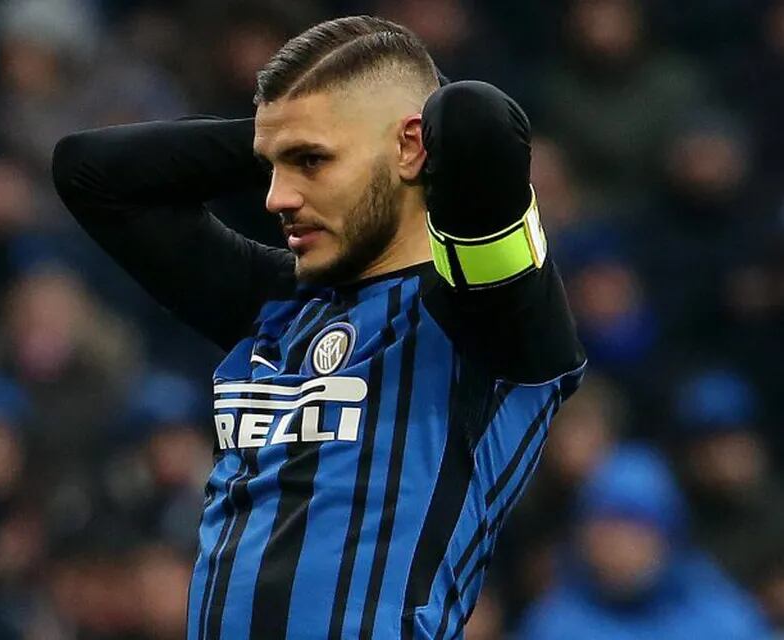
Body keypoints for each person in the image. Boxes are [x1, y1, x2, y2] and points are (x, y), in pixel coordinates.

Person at [53, 15, 585, 639]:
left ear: (414, 147)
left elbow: (476, 117)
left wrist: (369, 130)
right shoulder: (276, 303)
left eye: (310, 161)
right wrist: (288, 136)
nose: (275, 196)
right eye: (272, 166)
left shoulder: (487, 316)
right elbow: (87, 172)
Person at [518, 445, 770, 640]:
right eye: (605, 530)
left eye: (634, 531)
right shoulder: (554, 623)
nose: (617, 547)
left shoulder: (722, 618)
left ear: (668, 539)